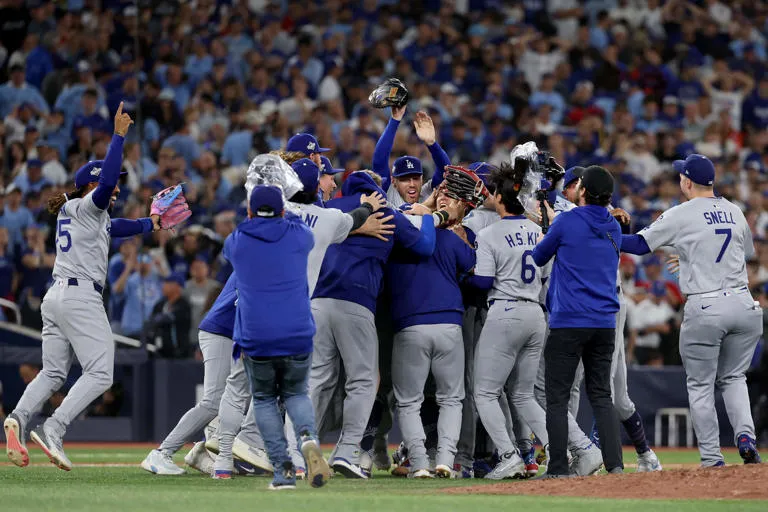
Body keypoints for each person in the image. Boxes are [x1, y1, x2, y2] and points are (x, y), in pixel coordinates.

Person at [4, 103, 165, 470]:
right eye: (111, 181)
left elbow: (121, 226)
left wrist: (152, 223)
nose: (118, 186)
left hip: (57, 296)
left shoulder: (84, 214)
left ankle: (18, 416)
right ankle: (55, 428)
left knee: (54, 372)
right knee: (101, 372)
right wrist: (119, 136)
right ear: (90, 186)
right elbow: (107, 182)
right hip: (78, 297)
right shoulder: (89, 205)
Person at [621, 154, 763, 466]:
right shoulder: (735, 211)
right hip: (743, 303)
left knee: (700, 385)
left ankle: (712, 459)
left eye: (680, 177)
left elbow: (639, 245)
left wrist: (599, 235)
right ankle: (745, 437)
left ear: (687, 181)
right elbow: (743, 255)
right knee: (734, 377)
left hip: (707, 304)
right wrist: (688, 260)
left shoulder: (682, 213)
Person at [227, 184, 331, 490]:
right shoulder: (300, 236)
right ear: (282, 211)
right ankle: (308, 440)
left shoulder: (238, 241)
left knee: (264, 399)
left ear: (249, 211)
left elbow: (236, 237)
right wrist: (289, 210)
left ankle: (283, 470)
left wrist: (252, 217)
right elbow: (300, 224)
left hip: (257, 336)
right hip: (297, 331)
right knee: (297, 393)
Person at [531, 165, 625, 477]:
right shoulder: (613, 225)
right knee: (601, 395)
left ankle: (558, 467)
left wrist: (546, 228)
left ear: (582, 191)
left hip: (569, 320)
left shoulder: (567, 220)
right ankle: (615, 466)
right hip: (604, 322)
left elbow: (539, 256)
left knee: (556, 397)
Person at [468, 162, 550, 480]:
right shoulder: (537, 229)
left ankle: (508, 455)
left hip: (504, 310)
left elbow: (483, 282)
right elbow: (543, 274)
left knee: (486, 393)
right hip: (535, 312)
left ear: (499, 199)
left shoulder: (489, 233)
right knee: (524, 395)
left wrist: (466, 273)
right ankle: (559, 451)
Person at [388, 188, 475, 479]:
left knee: (409, 401)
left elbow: (398, 215)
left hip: (410, 325)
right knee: (451, 399)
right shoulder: (451, 238)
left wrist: (422, 210)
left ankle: (419, 462)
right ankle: (446, 462)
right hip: (449, 323)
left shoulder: (397, 236)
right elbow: (472, 265)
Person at [146, 273, 193, 359]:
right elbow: (152, 321)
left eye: (167, 283)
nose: (163, 286)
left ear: (177, 286)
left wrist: (160, 319)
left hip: (179, 353)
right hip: (160, 352)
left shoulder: (184, 305)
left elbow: (169, 318)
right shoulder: (160, 304)